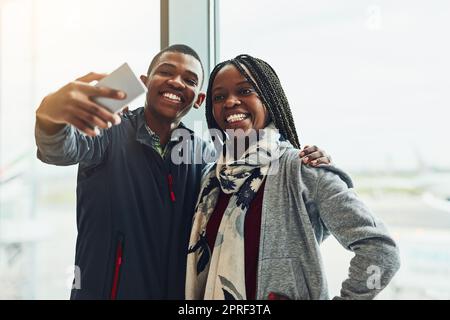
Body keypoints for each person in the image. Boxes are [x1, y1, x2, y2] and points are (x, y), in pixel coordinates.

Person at [35, 45, 331, 299]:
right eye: (166, 72)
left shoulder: (207, 155)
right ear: (145, 82)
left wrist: (312, 177)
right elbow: (58, 149)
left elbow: (253, 213)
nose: (176, 82)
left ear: (198, 100)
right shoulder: (106, 133)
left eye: (189, 79)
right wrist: (50, 114)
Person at [186, 54, 400, 300]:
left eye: (245, 90)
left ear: (268, 98)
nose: (231, 101)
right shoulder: (210, 180)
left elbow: (381, 251)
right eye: (219, 96)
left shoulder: (303, 168)